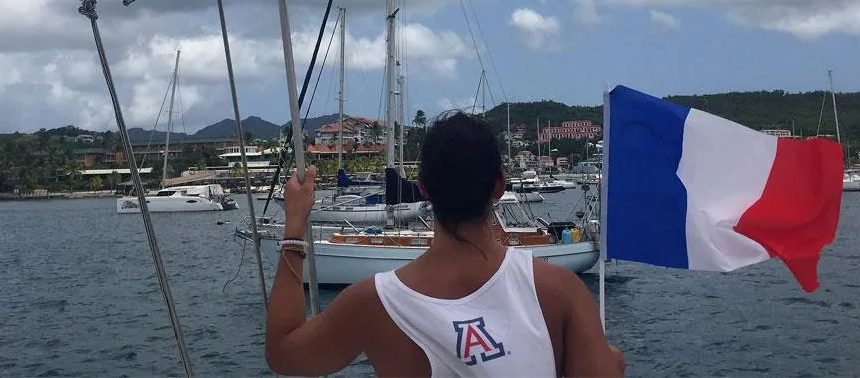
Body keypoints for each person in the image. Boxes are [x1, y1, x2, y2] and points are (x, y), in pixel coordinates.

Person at [265, 112, 624, 377]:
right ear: (500, 186)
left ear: (423, 188)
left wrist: (295, 226)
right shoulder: (558, 291)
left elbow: (284, 354)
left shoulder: (373, 303)